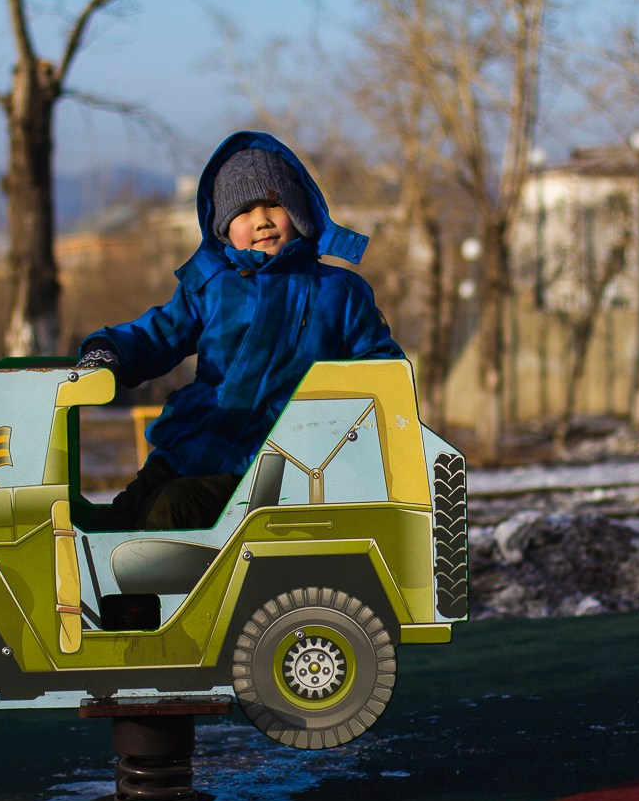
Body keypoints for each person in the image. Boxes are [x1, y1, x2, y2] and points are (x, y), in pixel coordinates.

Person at [78, 131, 403, 531]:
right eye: (243, 211)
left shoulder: (338, 291)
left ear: (299, 209)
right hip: (193, 442)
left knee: (170, 512)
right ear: (223, 227)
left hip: (274, 463)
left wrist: (345, 417)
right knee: (120, 520)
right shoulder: (213, 285)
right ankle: (97, 591)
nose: (261, 220)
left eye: (273, 203)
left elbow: (380, 366)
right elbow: (159, 333)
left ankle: (152, 595)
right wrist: (110, 350)